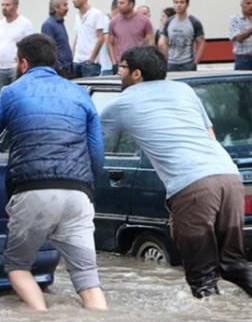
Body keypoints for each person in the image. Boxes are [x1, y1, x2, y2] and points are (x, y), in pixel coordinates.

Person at [0, 34, 107, 311]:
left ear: (23, 63)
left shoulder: (12, 92)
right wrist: (87, 189)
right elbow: (97, 151)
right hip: (78, 193)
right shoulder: (80, 93)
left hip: (32, 190)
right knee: (88, 279)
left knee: (17, 267)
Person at [100, 46, 252, 298]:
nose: (119, 73)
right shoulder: (184, 90)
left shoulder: (122, 103)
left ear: (136, 74)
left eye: (122, 67)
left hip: (192, 187)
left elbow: (91, 137)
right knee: (233, 264)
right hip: (228, 176)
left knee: (202, 277)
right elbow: (210, 135)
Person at [0, 0, 34, 92]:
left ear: (16, 6)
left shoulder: (25, 23)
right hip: (1, 69)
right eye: (2, 5)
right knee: (3, 96)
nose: (4, 8)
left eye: (7, 5)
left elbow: (31, 46)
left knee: (17, 93)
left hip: (16, 67)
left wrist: (22, 65)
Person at [158, 0, 205, 71]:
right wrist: (166, 59)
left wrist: (195, 62)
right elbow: (165, 41)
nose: (178, 5)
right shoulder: (169, 21)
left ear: (187, 5)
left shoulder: (194, 22)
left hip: (187, 63)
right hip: (171, 63)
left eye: (181, 2)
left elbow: (202, 43)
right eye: (176, 2)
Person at [107, 0, 154, 67]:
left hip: (138, 62)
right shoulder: (114, 21)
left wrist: (145, 58)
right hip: (121, 63)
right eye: (118, 3)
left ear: (131, 5)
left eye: (122, 3)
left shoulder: (144, 20)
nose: (119, 6)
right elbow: (110, 43)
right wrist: (114, 62)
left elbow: (151, 42)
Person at [71, 0, 104, 78]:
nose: (73, 0)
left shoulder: (96, 14)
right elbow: (77, 36)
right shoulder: (77, 16)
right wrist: (73, 56)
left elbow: (101, 38)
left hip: (89, 62)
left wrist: (92, 58)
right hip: (77, 61)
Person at [41, 0, 73, 78]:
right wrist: (59, 66)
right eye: (64, 5)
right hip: (59, 69)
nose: (67, 8)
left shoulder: (60, 23)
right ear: (56, 8)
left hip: (67, 66)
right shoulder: (49, 25)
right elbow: (48, 48)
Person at [229, 0, 252, 70]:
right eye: (248, 3)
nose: (251, 6)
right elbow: (238, 38)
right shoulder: (235, 19)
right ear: (242, 5)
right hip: (243, 58)